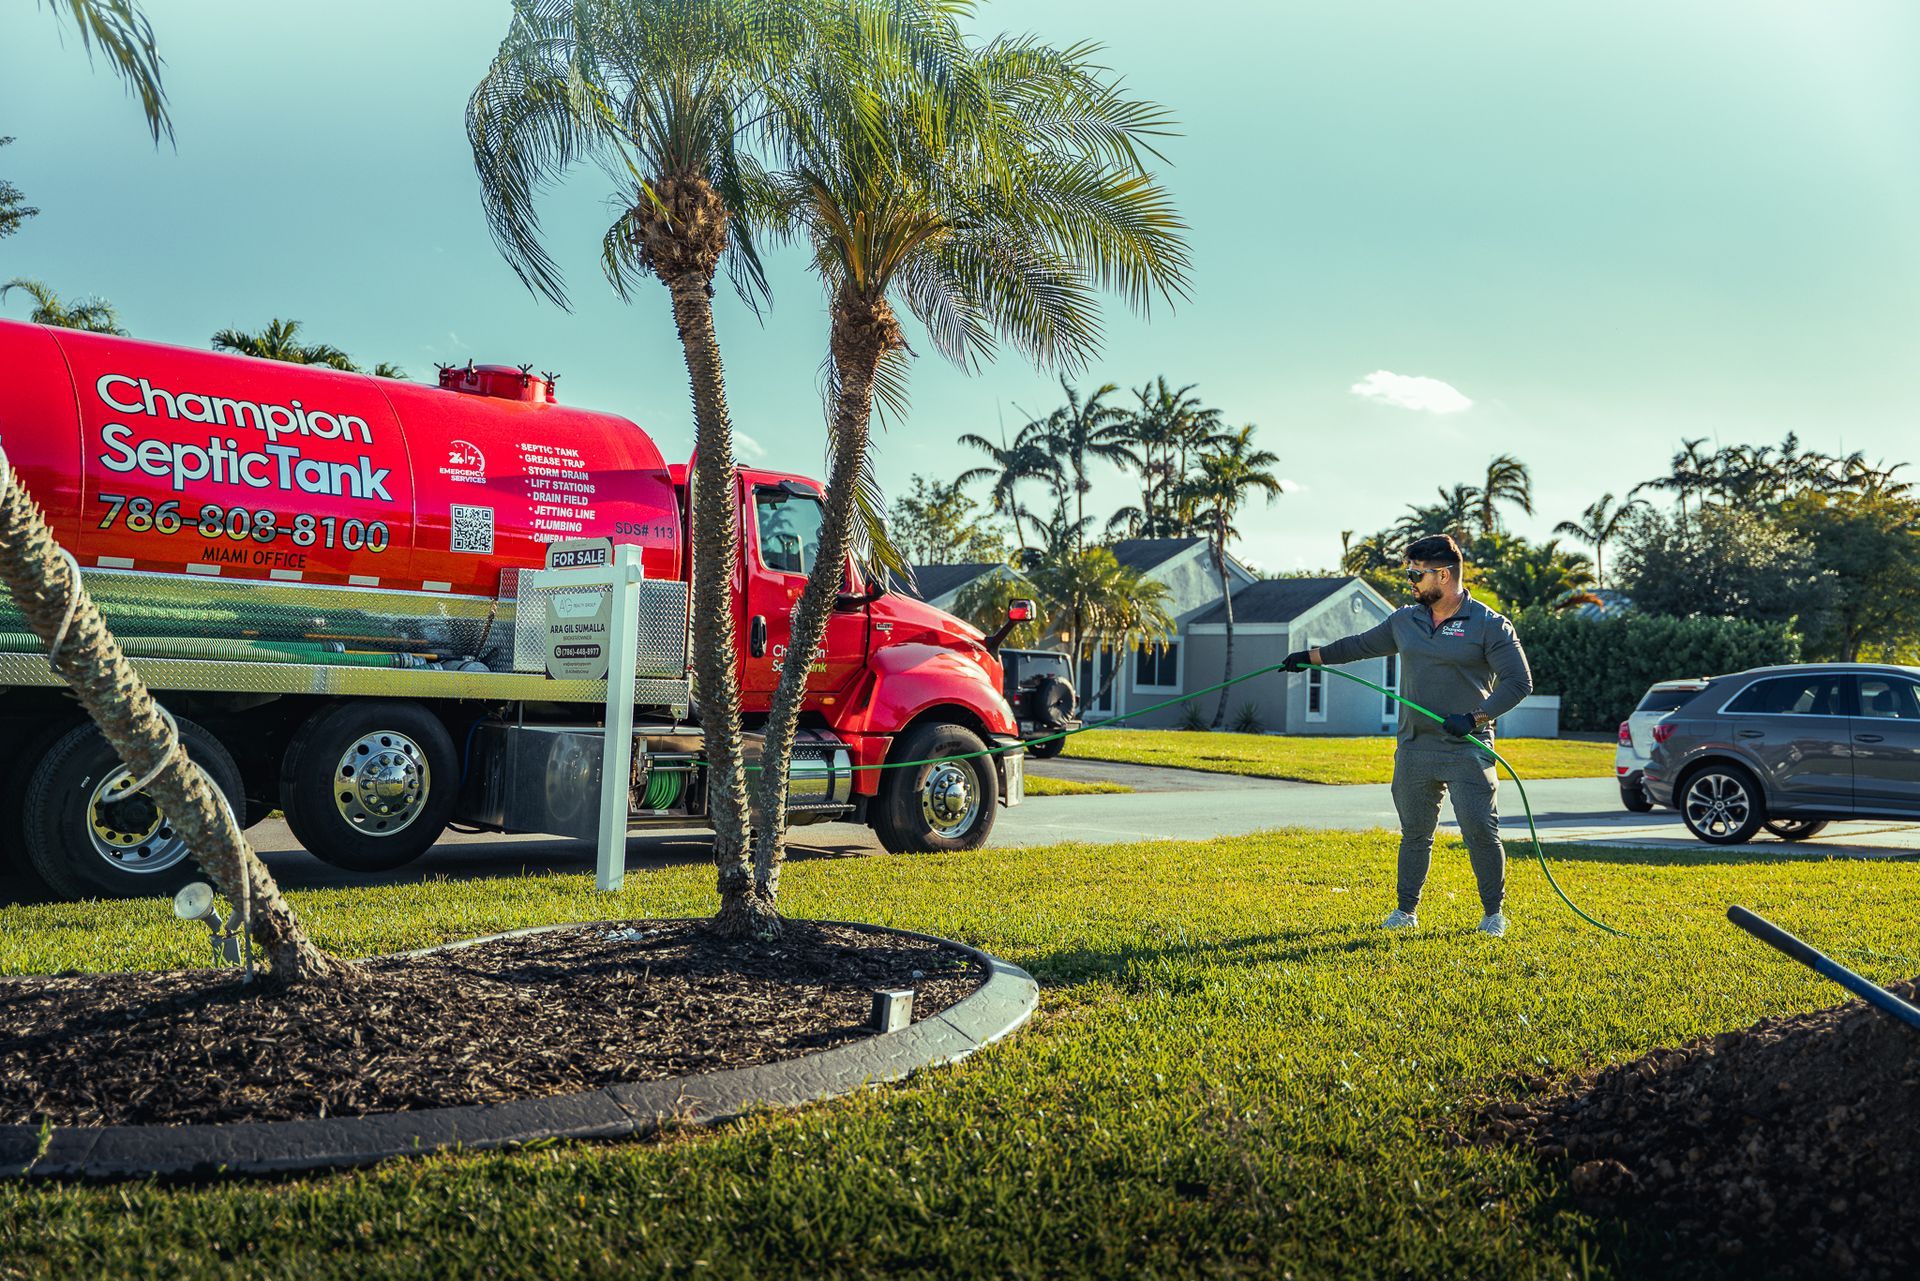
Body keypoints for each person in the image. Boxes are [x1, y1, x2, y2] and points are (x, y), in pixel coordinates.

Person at [1282, 533, 1533, 936]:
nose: (1411, 581)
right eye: (1409, 573)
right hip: (1415, 747)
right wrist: (1307, 659)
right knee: (1415, 834)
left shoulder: (1489, 625)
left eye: (1417, 574)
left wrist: (1475, 717)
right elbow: (1359, 645)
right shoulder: (1405, 620)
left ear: (1445, 575)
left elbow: (1519, 682)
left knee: (1481, 833)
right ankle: (1405, 912)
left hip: (1467, 748)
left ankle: (1493, 915)